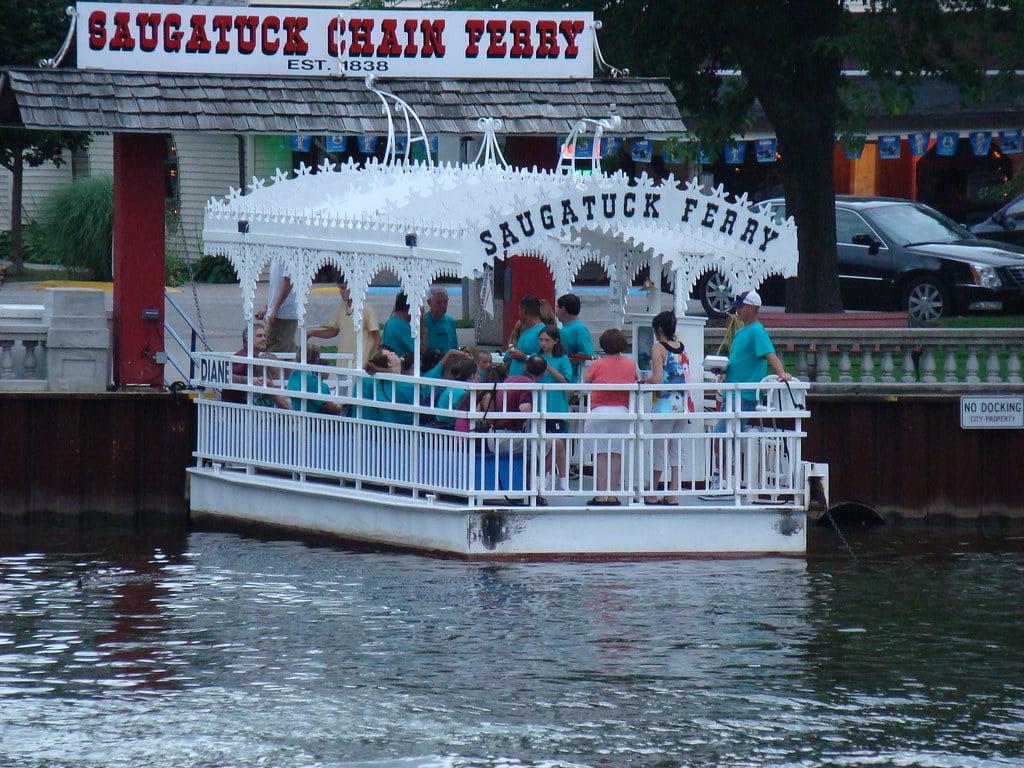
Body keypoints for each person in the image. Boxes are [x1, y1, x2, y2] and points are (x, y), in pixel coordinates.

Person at [641, 311, 696, 505]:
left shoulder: (658, 348)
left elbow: (657, 378)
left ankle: (653, 490)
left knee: (659, 447)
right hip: (683, 404)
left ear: (660, 329)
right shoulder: (681, 347)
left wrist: (643, 382)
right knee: (676, 449)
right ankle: (673, 491)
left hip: (664, 404)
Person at [718, 289, 791, 430]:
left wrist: (782, 373)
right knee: (726, 436)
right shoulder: (740, 332)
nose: (737, 309)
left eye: (740, 306)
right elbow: (739, 359)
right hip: (732, 391)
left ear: (751, 308)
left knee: (723, 435)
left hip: (744, 394)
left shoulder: (757, 331)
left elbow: (771, 355)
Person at [583, 328, 638, 506]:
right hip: (622, 411)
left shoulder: (597, 364)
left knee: (600, 454)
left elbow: (587, 380)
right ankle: (612, 495)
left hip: (600, 411)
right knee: (616, 453)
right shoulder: (630, 364)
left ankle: (599, 495)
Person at [307, 275, 380, 366]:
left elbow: (376, 336)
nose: (341, 292)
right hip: (342, 363)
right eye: (340, 289)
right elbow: (333, 331)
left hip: (360, 365)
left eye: (344, 288)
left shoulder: (367, 309)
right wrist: (312, 333)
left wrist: (372, 359)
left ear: (353, 288)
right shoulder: (341, 308)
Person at [538, 325, 573, 492]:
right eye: (541, 340)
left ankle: (562, 478)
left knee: (560, 443)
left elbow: (565, 381)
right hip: (540, 407)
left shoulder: (562, 359)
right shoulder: (536, 358)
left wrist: (549, 368)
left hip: (557, 407)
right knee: (545, 443)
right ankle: (544, 475)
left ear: (555, 341)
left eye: (547, 340)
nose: (543, 343)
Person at [360, 347, 415, 424]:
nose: (393, 352)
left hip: (386, 429)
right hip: (406, 430)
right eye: (390, 354)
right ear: (389, 363)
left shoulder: (379, 383)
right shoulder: (405, 386)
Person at [286, 344, 344, 415]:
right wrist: (340, 409)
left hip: (300, 415)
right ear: (316, 358)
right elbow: (326, 406)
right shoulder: (310, 379)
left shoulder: (294, 374)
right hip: (315, 419)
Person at [255, 258, 298, 354]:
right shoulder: (275, 258)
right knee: (283, 352)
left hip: (284, 314)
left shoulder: (289, 256)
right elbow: (275, 288)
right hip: (276, 313)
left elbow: (288, 282)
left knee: (273, 354)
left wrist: (275, 309)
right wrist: (266, 307)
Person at [223, 322, 267, 404]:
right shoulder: (242, 357)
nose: (264, 339)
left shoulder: (254, 356)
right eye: (259, 336)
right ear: (248, 339)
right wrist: (249, 379)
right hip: (235, 407)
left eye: (265, 336)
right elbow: (227, 375)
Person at [555, 293, 594, 383]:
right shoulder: (564, 329)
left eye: (557, 307)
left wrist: (566, 358)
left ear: (563, 309)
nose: (555, 311)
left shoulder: (580, 329)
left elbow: (587, 354)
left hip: (571, 379)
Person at [432, 356, 478, 429]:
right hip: (446, 428)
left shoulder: (455, 387)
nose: (478, 377)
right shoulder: (460, 392)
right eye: (477, 375)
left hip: (442, 425)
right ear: (472, 376)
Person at [504, 296, 544, 377]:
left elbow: (544, 358)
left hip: (527, 383)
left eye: (519, 310)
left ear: (524, 311)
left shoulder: (542, 331)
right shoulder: (525, 330)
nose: (518, 313)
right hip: (514, 382)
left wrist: (525, 357)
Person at [422, 285, 459, 357]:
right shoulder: (424, 323)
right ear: (429, 303)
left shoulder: (450, 321)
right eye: (438, 302)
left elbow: (455, 347)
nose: (442, 305)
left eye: (445, 302)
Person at [381, 292, 414, 359]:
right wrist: (422, 327)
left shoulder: (391, 322)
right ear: (409, 309)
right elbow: (419, 350)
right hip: (401, 366)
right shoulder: (401, 325)